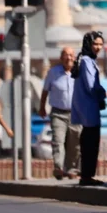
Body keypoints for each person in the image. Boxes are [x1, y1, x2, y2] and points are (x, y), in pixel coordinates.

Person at [39, 47, 81, 180]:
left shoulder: (79, 72)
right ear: (61, 58)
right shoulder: (53, 72)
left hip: (76, 113)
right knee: (58, 140)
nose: (68, 58)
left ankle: (72, 169)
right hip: (58, 113)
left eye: (71, 55)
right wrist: (42, 107)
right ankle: (58, 167)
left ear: (74, 57)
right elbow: (45, 91)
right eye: (65, 55)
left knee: (74, 143)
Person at [71, 31, 107, 186]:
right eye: (95, 44)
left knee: (89, 142)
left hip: (87, 108)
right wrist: (101, 93)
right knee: (90, 144)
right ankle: (87, 175)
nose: (98, 47)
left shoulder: (87, 60)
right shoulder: (86, 61)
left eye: (100, 44)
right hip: (89, 107)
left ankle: (87, 175)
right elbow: (91, 85)